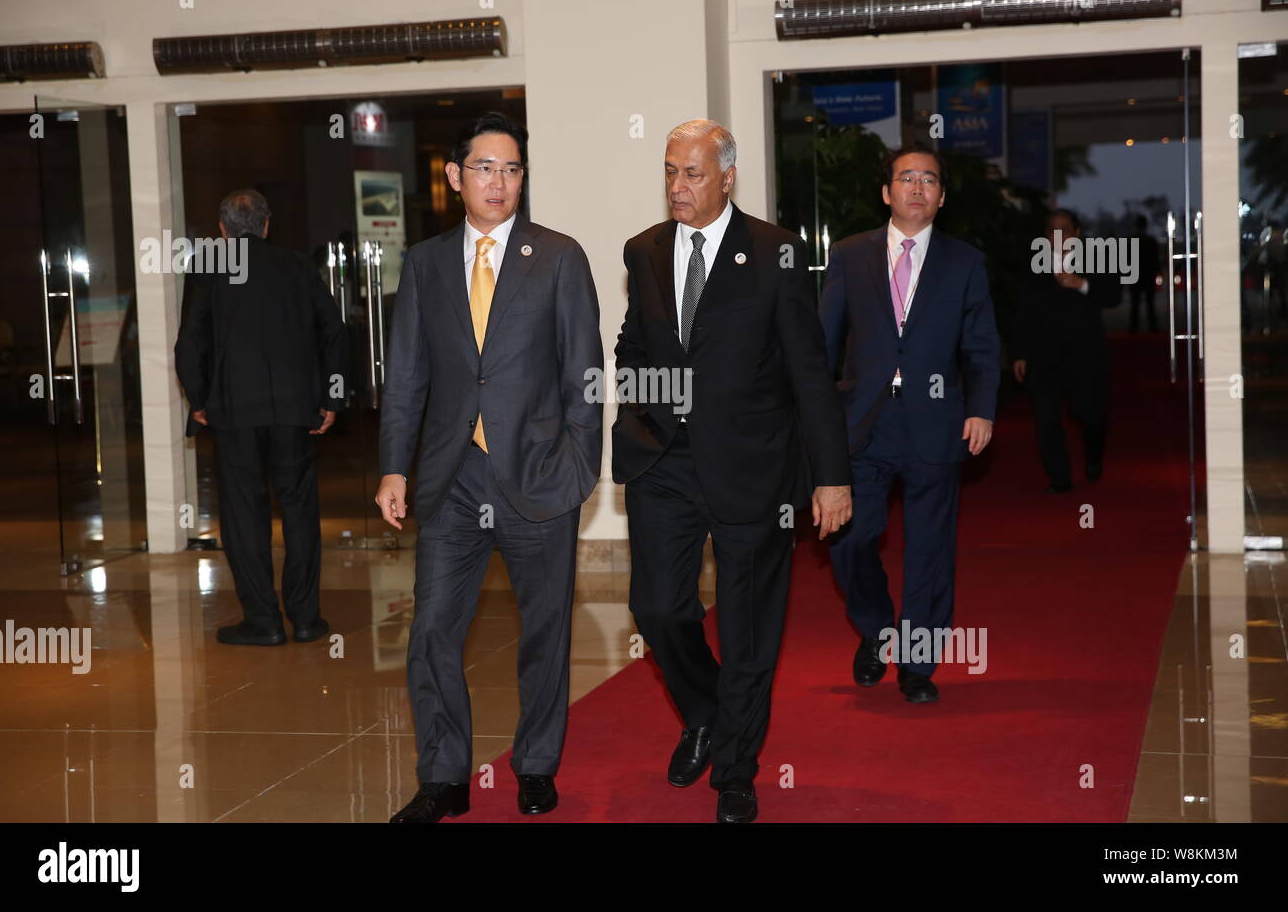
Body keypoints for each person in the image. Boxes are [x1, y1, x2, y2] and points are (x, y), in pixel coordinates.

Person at [612, 119, 851, 823]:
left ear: (727, 177)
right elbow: (633, 343)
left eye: (691, 174)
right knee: (658, 609)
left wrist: (831, 476)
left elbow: (810, 368)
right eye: (669, 172)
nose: (676, 187)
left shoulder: (776, 252)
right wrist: (639, 396)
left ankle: (737, 770)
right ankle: (708, 713)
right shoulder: (644, 250)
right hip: (663, 459)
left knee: (748, 626)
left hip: (753, 466)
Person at [375, 112, 603, 823]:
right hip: (451, 479)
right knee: (433, 629)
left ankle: (536, 766)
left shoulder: (559, 257)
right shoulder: (424, 263)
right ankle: (443, 777)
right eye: (484, 168)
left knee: (544, 632)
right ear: (454, 177)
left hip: (538, 474)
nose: (498, 182)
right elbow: (407, 376)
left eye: (510, 169)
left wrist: (577, 466)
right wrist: (394, 469)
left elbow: (584, 375)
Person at [820, 144, 1000, 705]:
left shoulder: (964, 262)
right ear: (886, 192)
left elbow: (981, 345)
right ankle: (878, 630)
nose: (917, 187)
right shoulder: (850, 256)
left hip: (935, 421)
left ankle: (918, 664)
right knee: (850, 538)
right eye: (906, 178)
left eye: (928, 180)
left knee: (930, 548)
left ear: (941, 197)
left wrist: (982, 407)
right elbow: (822, 344)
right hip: (863, 423)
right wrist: (815, 421)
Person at [175, 189, 349, 646]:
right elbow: (333, 330)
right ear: (267, 225)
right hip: (295, 411)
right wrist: (330, 397)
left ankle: (263, 622)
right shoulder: (296, 266)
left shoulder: (209, 268)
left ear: (222, 229)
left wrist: (198, 399)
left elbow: (189, 343)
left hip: (233, 412)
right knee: (299, 512)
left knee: (243, 516)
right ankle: (307, 618)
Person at [1012, 208, 1121, 493]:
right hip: (1043, 355)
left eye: (1064, 229)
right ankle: (1059, 477)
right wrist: (1020, 353)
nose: (1058, 235)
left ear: (1077, 233)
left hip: (1086, 353)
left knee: (1090, 413)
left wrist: (1081, 284)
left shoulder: (1097, 257)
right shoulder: (1033, 263)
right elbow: (1023, 311)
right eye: (1052, 230)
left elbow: (1113, 295)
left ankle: (1094, 457)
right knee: (1046, 418)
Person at [1128, 214, 1160, 333]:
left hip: (1136, 275)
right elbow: (1155, 259)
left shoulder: (1131, 240)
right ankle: (1152, 327)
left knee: (1135, 303)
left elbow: (1127, 259)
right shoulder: (1151, 241)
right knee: (1150, 303)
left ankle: (1133, 327)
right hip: (1147, 275)